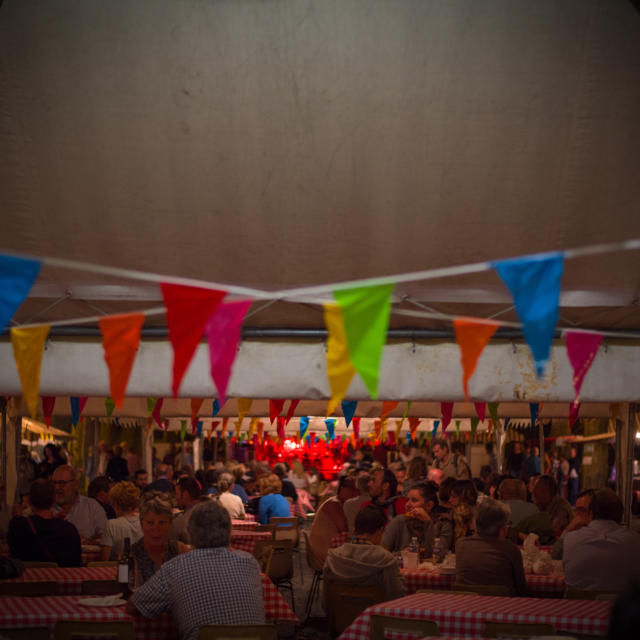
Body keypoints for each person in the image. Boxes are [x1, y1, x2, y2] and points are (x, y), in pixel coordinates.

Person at [127, 500, 264, 640]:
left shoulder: (175, 568)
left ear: (190, 532)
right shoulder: (249, 562)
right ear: (229, 532)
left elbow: (134, 606)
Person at [323, 505, 407, 611]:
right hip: (376, 624)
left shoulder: (333, 557)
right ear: (380, 531)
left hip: (340, 623)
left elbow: (325, 604)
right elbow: (398, 597)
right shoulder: (385, 559)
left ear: (354, 531)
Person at [563, 489, 640, 592]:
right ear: (620, 514)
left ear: (591, 513)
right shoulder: (635, 540)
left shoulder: (570, 538)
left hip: (577, 605)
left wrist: (568, 529)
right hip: (622, 606)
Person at [455, 498, 526, 596]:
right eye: (507, 524)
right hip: (503, 607)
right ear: (502, 529)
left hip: (465, 606)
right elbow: (521, 589)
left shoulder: (460, 544)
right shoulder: (511, 549)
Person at [8, 478, 82, 567]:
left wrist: (17, 516)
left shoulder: (17, 525)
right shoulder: (70, 530)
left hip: (27, 578)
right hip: (60, 579)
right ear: (54, 499)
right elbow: (77, 564)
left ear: (29, 501)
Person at [382, 482, 452, 559]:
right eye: (407, 500)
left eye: (414, 500)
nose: (407, 505)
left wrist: (429, 523)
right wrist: (401, 554)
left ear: (429, 505)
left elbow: (438, 556)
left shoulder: (443, 523)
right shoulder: (399, 521)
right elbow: (382, 553)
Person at [132, 491, 189, 585]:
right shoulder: (132, 555)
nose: (156, 529)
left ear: (170, 523)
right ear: (142, 524)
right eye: (150, 523)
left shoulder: (180, 550)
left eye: (162, 523)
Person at [309, 475, 358, 567]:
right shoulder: (333, 504)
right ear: (343, 489)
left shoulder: (339, 503)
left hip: (331, 549)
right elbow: (344, 528)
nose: (356, 493)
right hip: (324, 554)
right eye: (353, 489)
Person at [52, 465, 106, 542]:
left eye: (62, 483)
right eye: (54, 483)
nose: (56, 488)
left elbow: (105, 536)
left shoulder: (92, 507)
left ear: (76, 484)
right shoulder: (44, 507)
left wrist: (87, 542)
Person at [100, 481, 142, 560]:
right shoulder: (145, 521)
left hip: (118, 569)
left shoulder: (112, 525)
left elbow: (104, 560)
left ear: (115, 504)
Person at [552, 489, 594, 560]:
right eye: (576, 510)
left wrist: (568, 530)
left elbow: (556, 555)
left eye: (582, 510)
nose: (577, 515)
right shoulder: (578, 532)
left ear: (593, 513)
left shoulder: (594, 536)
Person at [169, 476, 202, 544]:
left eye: (177, 494)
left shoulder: (179, 523)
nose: (175, 498)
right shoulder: (213, 513)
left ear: (185, 494)